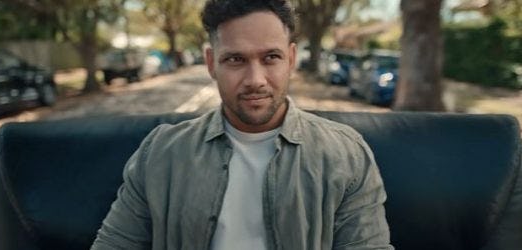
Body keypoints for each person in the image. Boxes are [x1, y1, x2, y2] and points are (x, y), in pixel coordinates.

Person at [91, 0, 393, 249]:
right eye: (235, 59)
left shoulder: (346, 156)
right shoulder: (160, 154)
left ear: (290, 59)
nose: (255, 80)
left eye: (271, 57)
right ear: (211, 64)